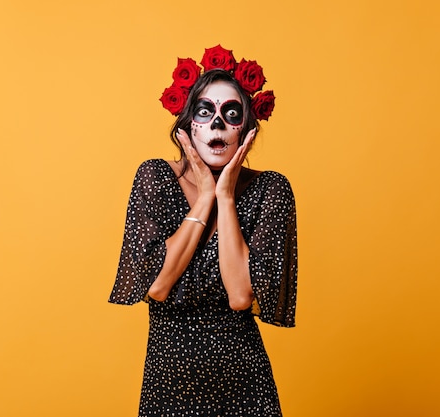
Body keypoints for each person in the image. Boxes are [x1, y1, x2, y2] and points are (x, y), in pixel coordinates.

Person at [109, 45, 297, 417]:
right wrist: (203, 198)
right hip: (169, 387)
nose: (216, 125)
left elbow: (241, 296)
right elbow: (158, 286)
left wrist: (224, 198)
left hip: (245, 387)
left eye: (230, 114)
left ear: (247, 129)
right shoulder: (155, 178)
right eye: (204, 112)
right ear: (185, 126)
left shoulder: (270, 190)